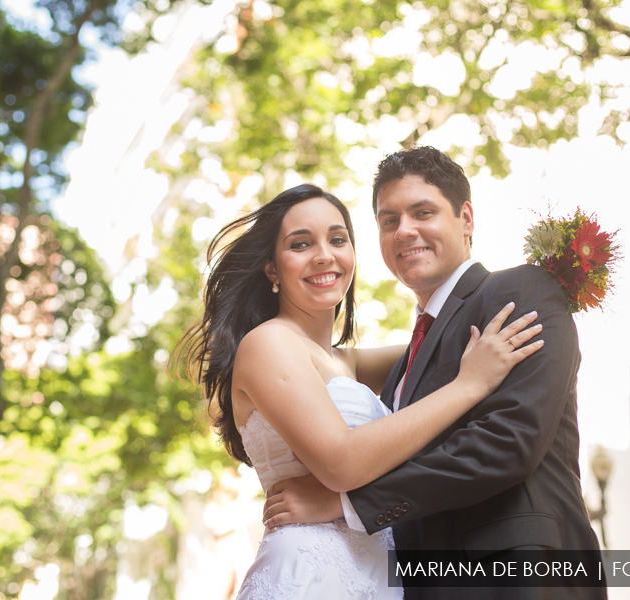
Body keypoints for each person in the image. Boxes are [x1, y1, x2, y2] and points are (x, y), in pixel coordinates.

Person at [263, 148, 606, 599]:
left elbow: (506, 442)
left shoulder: (520, 291)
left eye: (422, 212)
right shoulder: (406, 362)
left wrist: (345, 504)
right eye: (389, 221)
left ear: (466, 218)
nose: (405, 230)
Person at [176, 182, 544, 599]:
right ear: (272, 269)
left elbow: (441, 341)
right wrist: (469, 385)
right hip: (309, 572)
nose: (324, 255)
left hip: (376, 574)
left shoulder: (345, 361)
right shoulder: (268, 343)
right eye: (300, 244)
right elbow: (340, 462)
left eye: (337, 239)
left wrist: (555, 280)